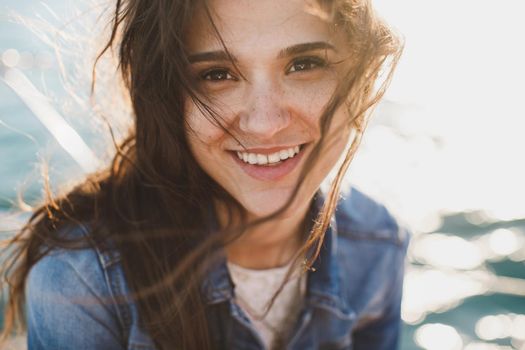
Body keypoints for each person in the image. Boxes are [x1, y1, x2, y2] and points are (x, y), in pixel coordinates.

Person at [0, 0, 409, 349]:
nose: (265, 123)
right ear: (165, 97)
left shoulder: (379, 245)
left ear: (361, 75)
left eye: (304, 64)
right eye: (217, 74)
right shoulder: (84, 281)